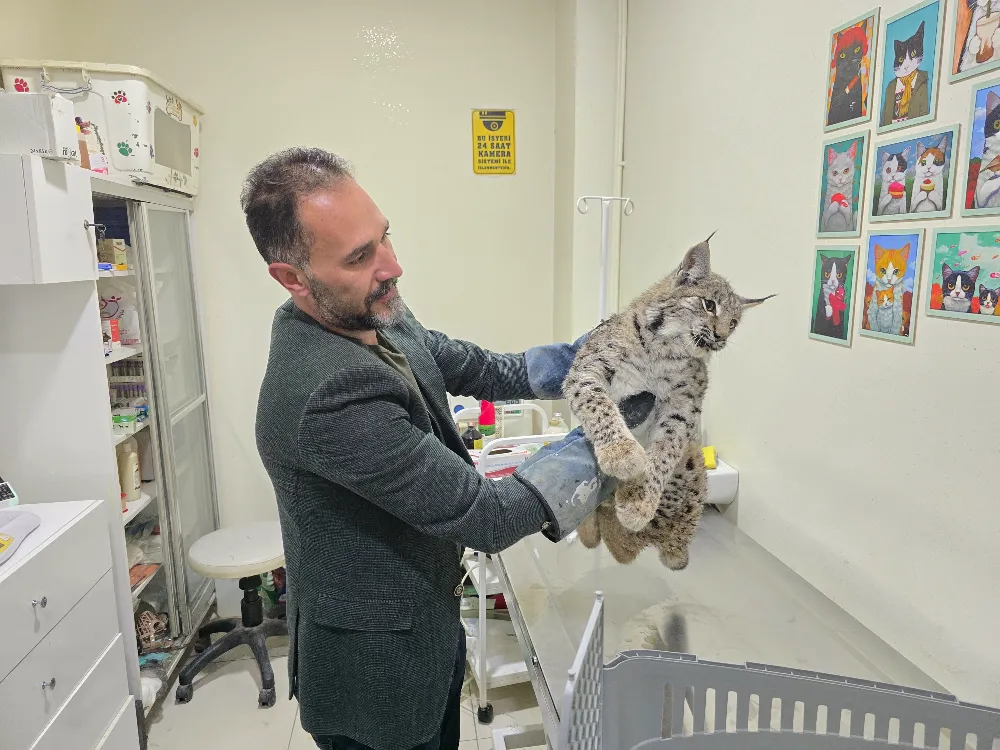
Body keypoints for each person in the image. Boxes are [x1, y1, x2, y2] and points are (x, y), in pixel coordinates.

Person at [244, 147, 643, 750]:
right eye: (360, 256)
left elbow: (481, 367)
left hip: (426, 628)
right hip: (375, 675)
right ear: (293, 278)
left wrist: (609, 351)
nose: (392, 265)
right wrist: (614, 434)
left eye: (384, 236)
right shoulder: (327, 393)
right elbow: (489, 516)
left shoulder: (370, 311)